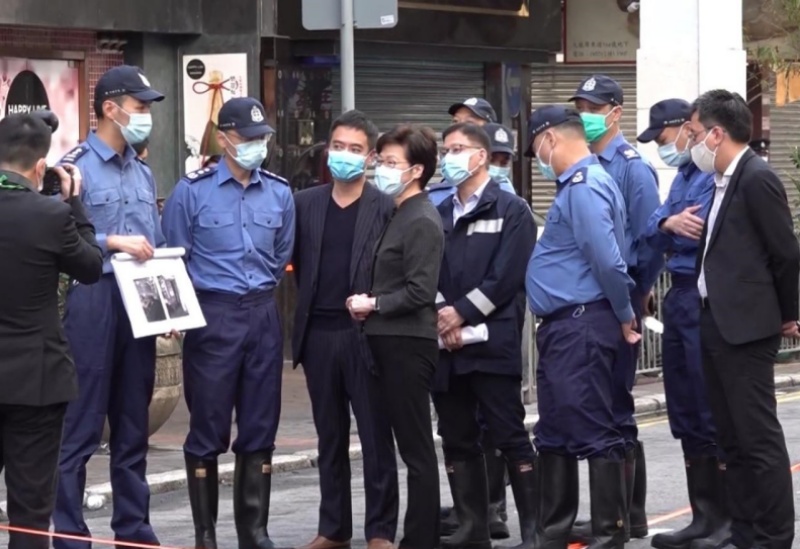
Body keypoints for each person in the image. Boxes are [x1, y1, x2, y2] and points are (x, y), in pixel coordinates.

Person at [161, 97, 295, 549]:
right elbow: (175, 257)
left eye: (263, 139)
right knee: (208, 425)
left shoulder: (278, 191)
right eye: (248, 139)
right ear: (223, 140)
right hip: (212, 313)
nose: (258, 146)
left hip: (261, 311)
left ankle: (254, 531)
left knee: (260, 424)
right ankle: (205, 534)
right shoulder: (191, 191)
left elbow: (280, 256)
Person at [53, 65, 166, 549]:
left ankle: (134, 530)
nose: (145, 118)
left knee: (132, 425)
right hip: (91, 298)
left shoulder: (142, 172)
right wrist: (109, 240)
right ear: (109, 109)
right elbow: (52, 237)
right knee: (79, 427)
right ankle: (71, 535)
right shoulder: (72, 169)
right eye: (140, 108)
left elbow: (156, 246)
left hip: (138, 303)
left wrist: (169, 311)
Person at [689, 89, 798, 549]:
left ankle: (774, 535)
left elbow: (786, 252)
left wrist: (789, 314)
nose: (690, 143)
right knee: (730, 437)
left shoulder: (756, 178)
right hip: (716, 320)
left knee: (757, 438)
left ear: (717, 134)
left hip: (748, 328)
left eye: (694, 134)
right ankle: (746, 529)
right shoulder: (720, 181)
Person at [525, 105, 638, 549]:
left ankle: (610, 532)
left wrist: (626, 312)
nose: (537, 155)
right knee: (554, 428)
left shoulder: (584, 186)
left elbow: (607, 259)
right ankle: (553, 531)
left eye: (535, 146)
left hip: (581, 325)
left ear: (550, 139)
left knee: (591, 425)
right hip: (563, 327)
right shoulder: (576, 186)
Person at [292, 110, 398, 549]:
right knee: (329, 436)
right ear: (327, 148)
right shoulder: (305, 203)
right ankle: (333, 527)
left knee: (375, 436)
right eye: (339, 147)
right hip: (318, 334)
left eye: (355, 149)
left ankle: (380, 530)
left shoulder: (385, 206)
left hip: (366, 336)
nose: (345, 156)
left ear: (370, 156)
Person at [432, 122, 538, 549]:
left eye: (459, 148)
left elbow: (505, 277)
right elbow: (428, 270)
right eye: (447, 149)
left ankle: (534, 526)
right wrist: (443, 314)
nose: (450, 156)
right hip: (446, 345)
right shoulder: (437, 213)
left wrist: (462, 312)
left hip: (492, 343)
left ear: (482, 156)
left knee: (507, 431)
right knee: (455, 435)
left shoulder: (511, 210)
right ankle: (471, 526)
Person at [0, 112, 103, 549]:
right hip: (37, 381)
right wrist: (74, 203)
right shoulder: (50, 216)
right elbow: (91, 266)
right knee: (30, 508)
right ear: (41, 168)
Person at [568, 74, 663, 543]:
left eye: (593, 105)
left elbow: (650, 239)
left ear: (614, 111)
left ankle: (630, 513)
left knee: (616, 408)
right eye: (580, 104)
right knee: (602, 408)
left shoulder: (631, 167)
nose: (585, 112)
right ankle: (621, 512)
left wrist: (637, 294)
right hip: (595, 302)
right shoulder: (587, 164)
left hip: (619, 300)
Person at [347, 124, 444, 549]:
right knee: (395, 442)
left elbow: (421, 290)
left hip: (407, 342)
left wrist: (374, 303)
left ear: (416, 170)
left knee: (416, 448)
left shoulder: (422, 218)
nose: (381, 170)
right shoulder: (397, 212)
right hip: (383, 341)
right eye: (380, 162)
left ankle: (421, 538)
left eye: (391, 163)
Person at [639, 99, 729, 549]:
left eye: (669, 136)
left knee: (708, 403)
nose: (668, 146)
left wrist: (668, 223)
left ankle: (727, 518)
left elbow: (688, 226)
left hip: (701, 290)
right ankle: (702, 515)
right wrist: (667, 222)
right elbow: (656, 224)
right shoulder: (686, 177)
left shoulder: (712, 179)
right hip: (678, 292)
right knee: (685, 408)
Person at [427, 98, 498, 206]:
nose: (458, 128)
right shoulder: (440, 190)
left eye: (469, 123)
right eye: (455, 122)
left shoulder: (503, 194)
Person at [484, 122, 518, 195]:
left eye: (504, 163)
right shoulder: (457, 188)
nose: (497, 168)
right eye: (491, 160)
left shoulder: (507, 193)